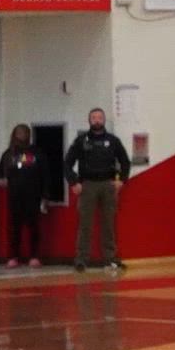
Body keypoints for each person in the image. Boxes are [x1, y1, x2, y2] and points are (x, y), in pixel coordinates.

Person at [66, 107, 129, 270]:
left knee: (108, 224)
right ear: (89, 120)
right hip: (87, 186)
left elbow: (125, 161)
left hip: (108, 185)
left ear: (104, 120)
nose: (97, 120)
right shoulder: (81, 140)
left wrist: (121, 180)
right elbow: (67, 163)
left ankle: (111, 259)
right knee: (85, 224)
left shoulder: (113, 140)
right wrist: (74, 182)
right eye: (93, 117)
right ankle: (81, 259)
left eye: (100, 117)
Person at [0, 124, 50, 266]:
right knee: (14, 227)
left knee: (34, 227)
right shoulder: (8, 154)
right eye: (19, 132)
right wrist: (1, 180)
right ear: (14, 134)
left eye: (24, 132)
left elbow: (45, 175)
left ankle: (34, 256)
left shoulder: (37, 153)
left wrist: (45, 196)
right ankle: (13, 257)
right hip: (14, 196)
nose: (21, 135)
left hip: (33, 195)